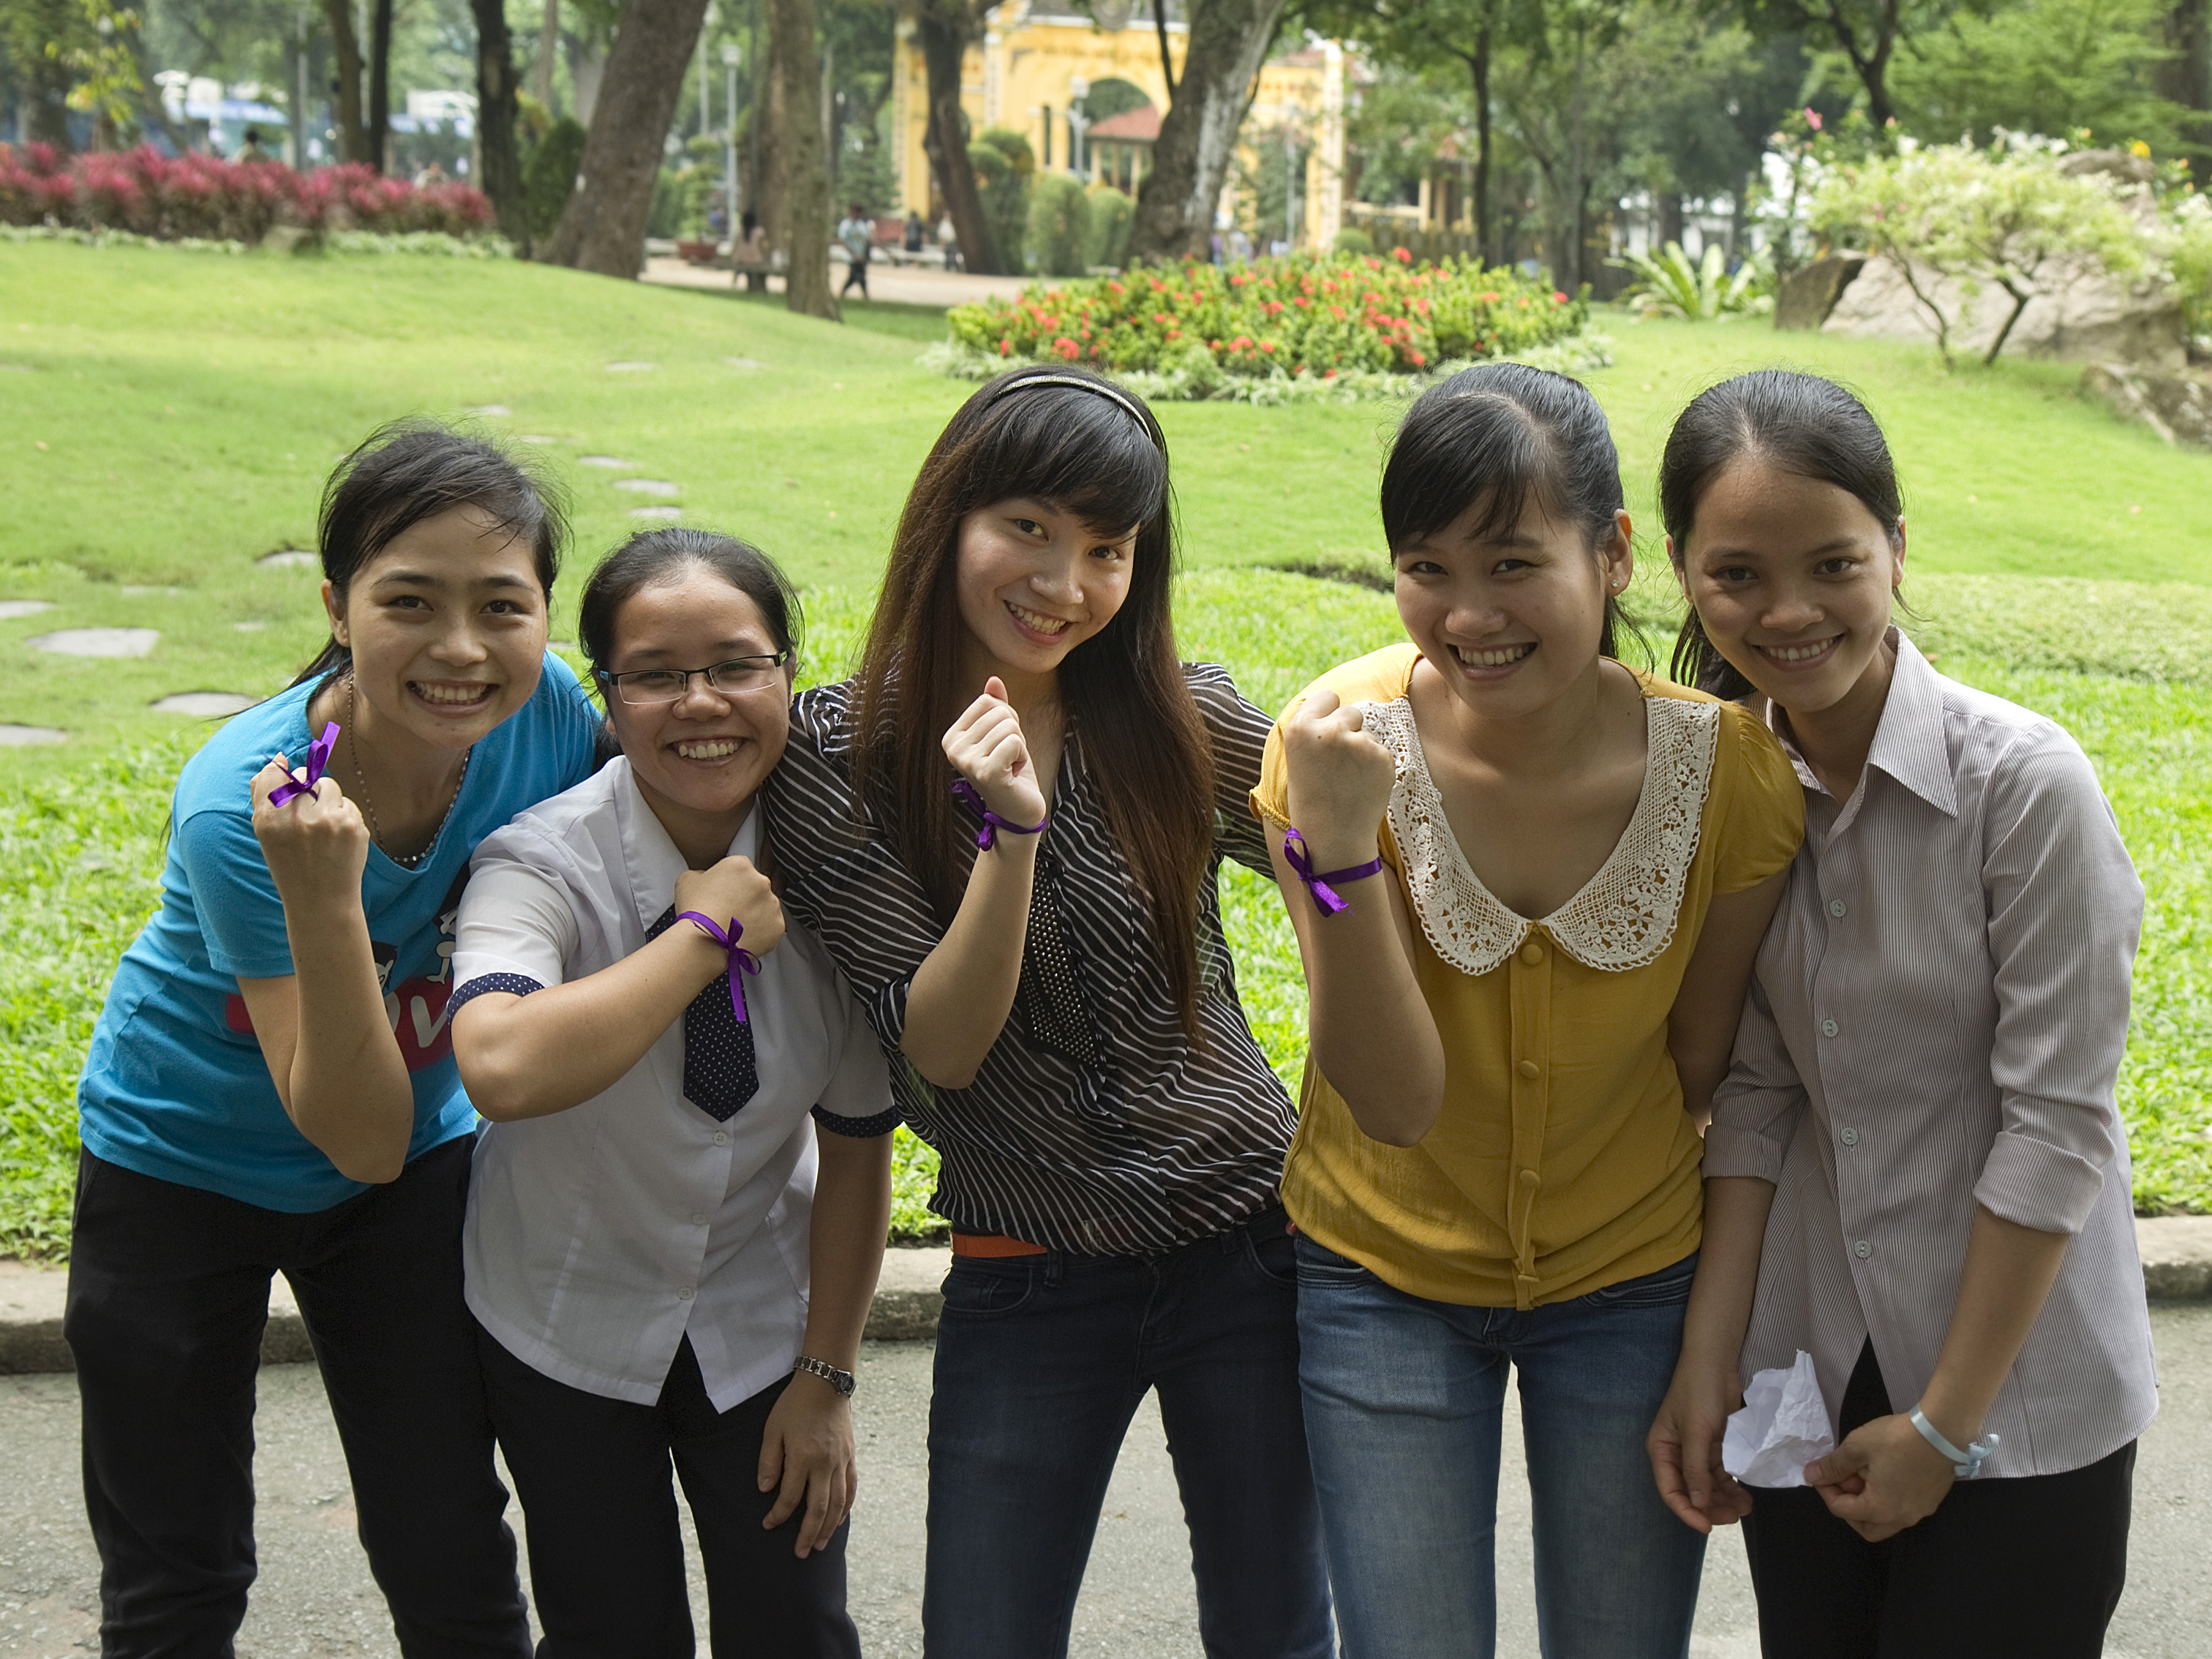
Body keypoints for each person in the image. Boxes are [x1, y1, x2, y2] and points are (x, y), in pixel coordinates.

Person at [761, 364, 1333, 1659]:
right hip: (1030, 1266)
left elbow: (1378, 842)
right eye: (1027, 527)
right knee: (984, 1633)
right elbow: (944, 1047)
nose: (1063, 582)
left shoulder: (1175, 718)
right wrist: (1007, 839)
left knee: (1276, 1628)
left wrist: (1339, 877)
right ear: (947, 518)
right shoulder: (838, 757)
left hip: (1247, 1242)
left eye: (1106, 548)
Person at [1254, 361, 1805, 1659]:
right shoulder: (1329, 750)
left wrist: (1704, 1334)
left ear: (1609, 553)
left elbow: (1702, 1065)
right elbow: (1386, 1102)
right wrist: (1337, 854)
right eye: (1423, 567)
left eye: (1510, 563)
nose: (1465, 614)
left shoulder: (1728, 771)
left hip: (1627, 1278)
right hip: (1377, 1271)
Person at [66, 421, 601, 1656]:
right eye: (408, 600)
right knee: (175, 1570)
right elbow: (355, 1132)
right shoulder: (243, 800)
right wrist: (320, 897)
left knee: (451, 1536)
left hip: (412, 1174)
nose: (460, 648)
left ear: (542, 615)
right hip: (177, 1164)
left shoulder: (549, 716)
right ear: (337, 605)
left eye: (501, 605)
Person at [1647, 369, 2157, 1658]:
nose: (1786, 610)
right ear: (1677, 571)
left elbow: (2053, 1124)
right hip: (1811, 1366)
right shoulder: (1733, 790)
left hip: (2018, 1389)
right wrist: (1708, 1364)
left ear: (1893, 545)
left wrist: (1943, 1428)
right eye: (1735, 574)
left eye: (1830, 562)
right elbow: (1755, 1098)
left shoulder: (2021, 787)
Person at [448, 528, 897, 1658]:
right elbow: (498, 1065)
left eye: (738, 665)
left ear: (787, 671)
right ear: (608, 692)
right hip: (564, 1312)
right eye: (655, 674)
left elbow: (852, 1145)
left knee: (794, 1623)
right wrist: (704, 936)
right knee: (612, 1629)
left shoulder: (842, 868)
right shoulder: (539, 863)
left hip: (760, 1312)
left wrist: (828, 1377)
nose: (702, 703)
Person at [836, 203, 871, 300]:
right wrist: (854, 255)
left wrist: (864, 255)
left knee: (860, 276)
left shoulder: (863, 225)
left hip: (861, 256)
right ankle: (864, 296)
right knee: (856, 276)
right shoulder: (846, 225)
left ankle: (864, 296)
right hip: (851, 257)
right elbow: (843, 241)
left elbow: (867, 241)